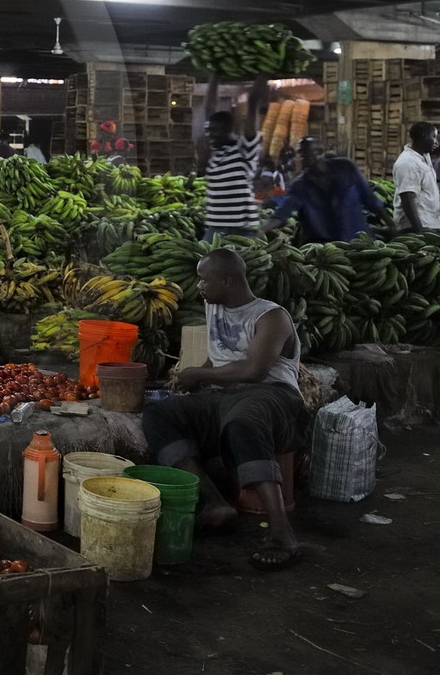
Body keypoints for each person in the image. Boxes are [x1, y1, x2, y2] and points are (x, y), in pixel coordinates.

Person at [143, 248, 307, 570]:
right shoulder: (213, 306)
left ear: (228, 280)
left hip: (273, 396)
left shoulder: (271, 316)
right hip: (224, 395)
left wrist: (200, 374)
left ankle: (282, 532)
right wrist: (194, 380)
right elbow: (219, 357)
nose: (199, 286)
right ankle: (215, 503)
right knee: (159, 414)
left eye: (204, 280)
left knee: (243, 421)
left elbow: (254, 370)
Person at [261, 138, 388, 243]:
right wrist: (262, 230)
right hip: (327, 250)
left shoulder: (346, 168)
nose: (302, 157)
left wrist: (391, 225)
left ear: (320, 152)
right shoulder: (300, 186)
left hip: (358, 240)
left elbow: (370, 199)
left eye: (306, 152)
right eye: (300, 153)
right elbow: (283, 212)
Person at [200, 77, 268, 240]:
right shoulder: (216, 153)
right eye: (209, 131)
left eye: (215, 131)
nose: (210, 135)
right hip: (215, 227)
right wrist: (214, 75)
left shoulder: (243, 151)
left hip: (242, 230)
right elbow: (209, 109)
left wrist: (263, 75)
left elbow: (253, 105)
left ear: (228, 129)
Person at [393, 122, 440, 232]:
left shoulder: (424, 156)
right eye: (433, 137)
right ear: (423, 137)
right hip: (415, 226)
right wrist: (419, 230)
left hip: (428, 223)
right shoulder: (408, 162)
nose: (436, 142)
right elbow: (407, 197)